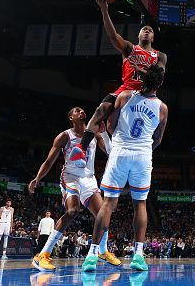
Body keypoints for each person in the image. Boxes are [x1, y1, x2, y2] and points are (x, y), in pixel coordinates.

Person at [81, 65, 168, 272]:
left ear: (141, 78)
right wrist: (145, 146)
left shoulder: (125, 96)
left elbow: (110, 126)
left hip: (120, 152)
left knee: (108, 204)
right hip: (143, 156)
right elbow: (158, 138)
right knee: (140, 204)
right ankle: (138, 255)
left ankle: (92, 255)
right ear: (160, 83)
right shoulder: (163, 108)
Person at [76, 0, 167, 159]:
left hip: (146, 94)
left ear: (153, 38)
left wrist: (139, 70)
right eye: (144, 29)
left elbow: (158, 78)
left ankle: (145, 154)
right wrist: (104, 9)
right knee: (101, 110)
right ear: (139, 35)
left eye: (150, 30)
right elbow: (112, 36)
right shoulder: (129, 48)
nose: (147, 31)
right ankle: (82, 148)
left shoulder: (160, 56)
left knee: (156, 127)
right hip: (125, 89)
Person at [28, 107, 121, 271]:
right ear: (71, 117)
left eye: (82, 110)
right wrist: (37, 178)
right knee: (73, 211)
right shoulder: (65, 136)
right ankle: (42, 255)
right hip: (70, 176)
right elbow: (49, 161)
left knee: (103, 214)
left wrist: (105, 133)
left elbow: (110, 152)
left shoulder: (94, 133)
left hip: (89, 179)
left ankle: (103, 251)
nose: (81, 112)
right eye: (77, 111)